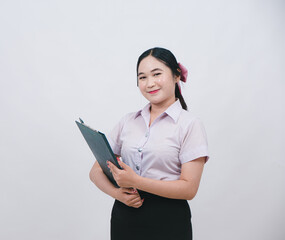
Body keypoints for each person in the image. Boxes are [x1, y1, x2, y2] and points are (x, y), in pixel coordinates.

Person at [89, 47, 209, 240]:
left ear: (176, 75)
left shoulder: (190, 125)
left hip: (168, 222)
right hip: (124, 218)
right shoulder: (128, 121)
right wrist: (117, 193)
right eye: (142, 77)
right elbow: (95, 171)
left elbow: (189, 189)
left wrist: (135, 181)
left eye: (157, 74)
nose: (149, 83)